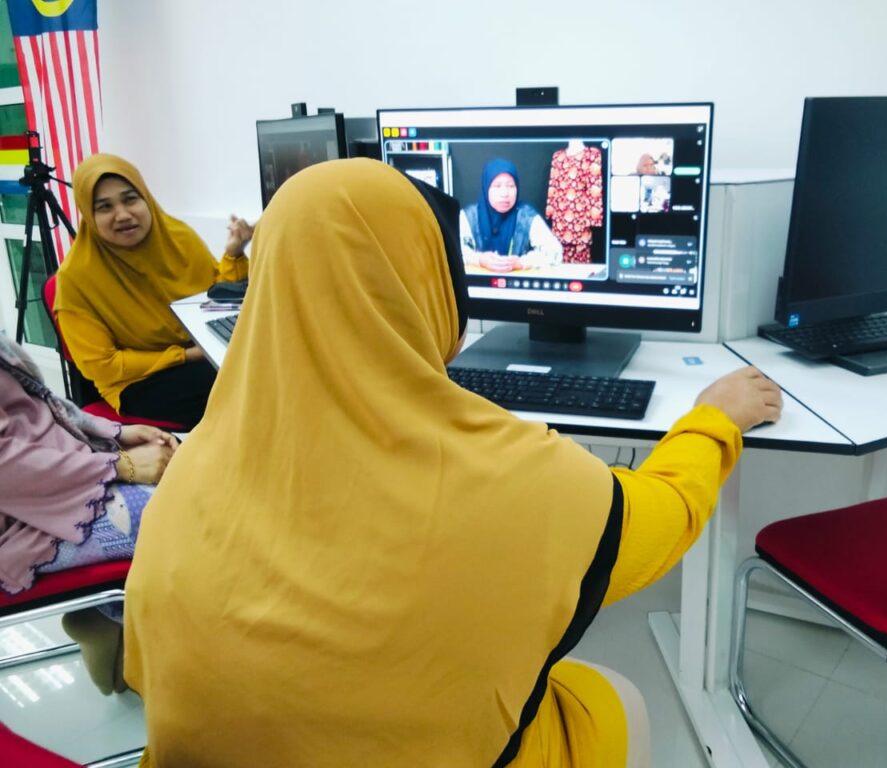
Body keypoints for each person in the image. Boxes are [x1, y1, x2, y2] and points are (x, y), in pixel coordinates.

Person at [123, 159, 782, 767]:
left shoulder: (188, 469)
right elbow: (665, 516)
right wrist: (714, 418)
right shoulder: (522, 480)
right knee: (614, 699)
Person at [0, 335, 177, 693]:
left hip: (56, 475)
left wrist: (113, 433)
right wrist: (119, 465)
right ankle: (124, 625)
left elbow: (37, 401)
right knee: (188, 512)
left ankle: (108, 617)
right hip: (25, 517)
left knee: (192, 477)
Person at [54, 153, 254, 429]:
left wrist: (233, 254)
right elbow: (102, 365)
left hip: (200, 352)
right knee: (242, 386)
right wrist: (185, 355)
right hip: (137, 381)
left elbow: (215, 297)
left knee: (263, 363)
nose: (123, 215)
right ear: (89, 215)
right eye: (104, 207)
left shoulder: (178, 237)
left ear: (146, 198)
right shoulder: (76, 278)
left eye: (130, 199)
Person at [460, 158, 563, 272]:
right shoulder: (469, 216)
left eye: (510, 186)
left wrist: (521, 262)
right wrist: (479, 259)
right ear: (486, 188)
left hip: (516, 281)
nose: (505, 193)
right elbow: (452, 250)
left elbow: (555, 252)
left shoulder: (526, 215)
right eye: (497, 186)